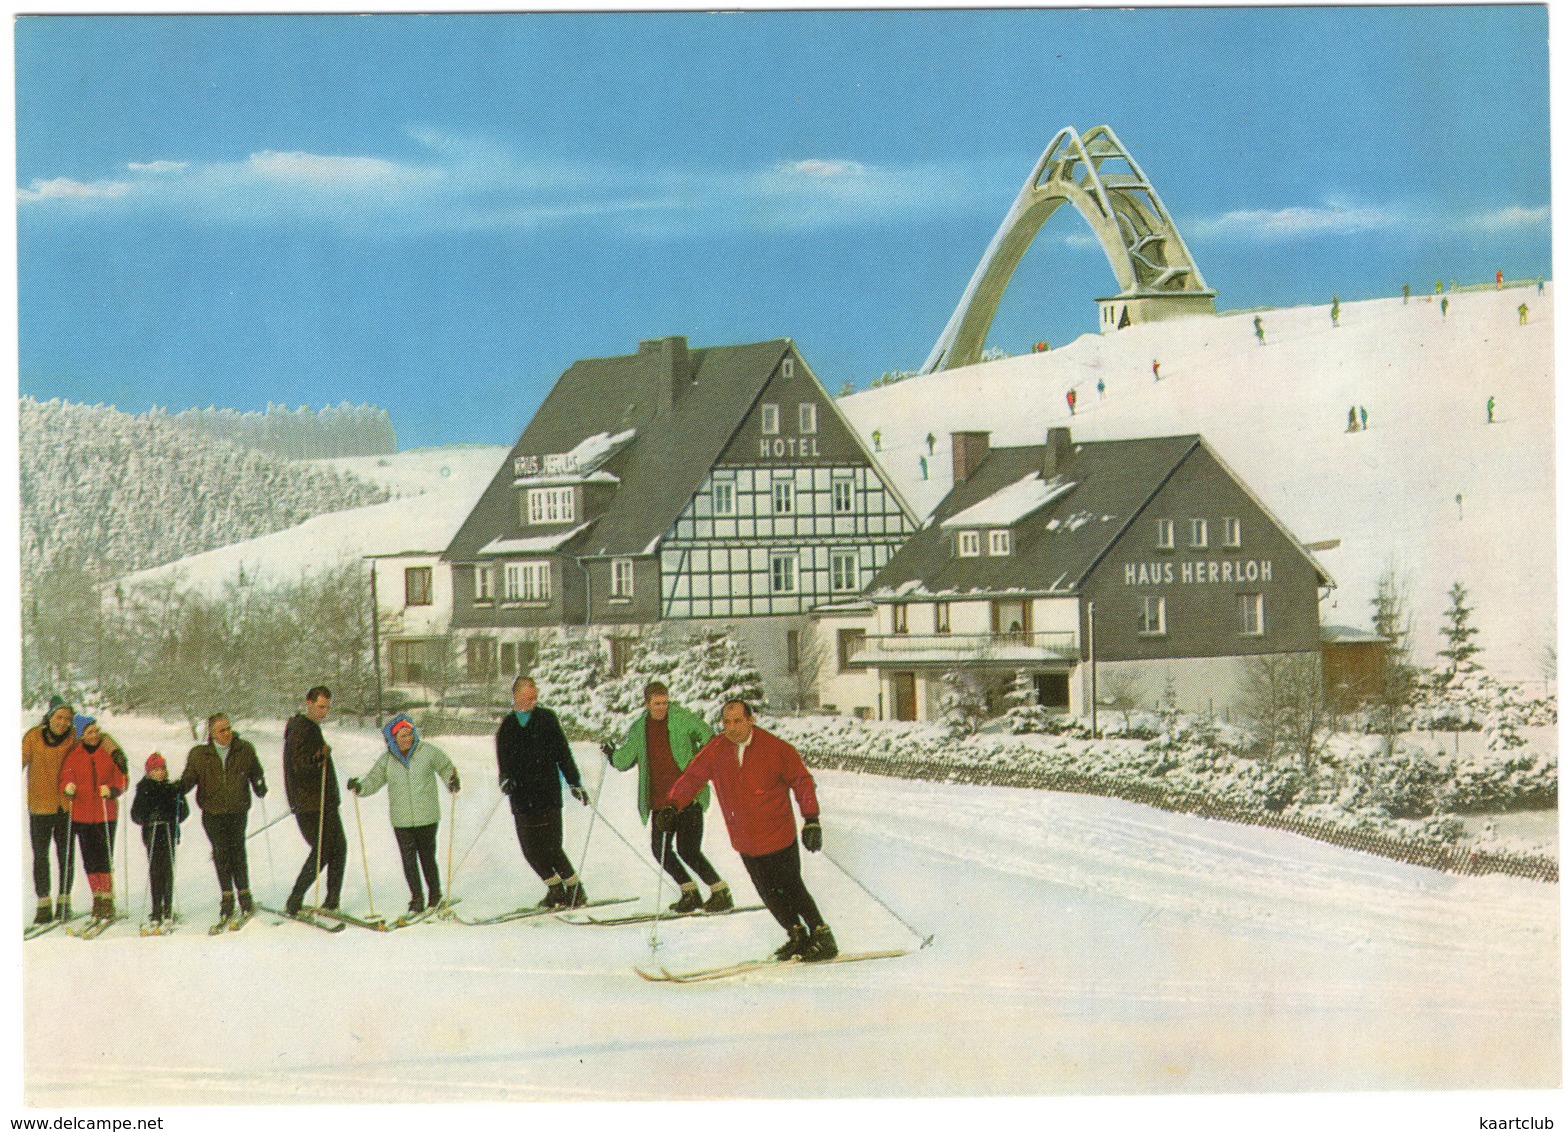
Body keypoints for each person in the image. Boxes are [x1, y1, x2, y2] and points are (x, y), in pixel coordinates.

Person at [659, 699, 835, 963]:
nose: (732, 728)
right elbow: (693, 777)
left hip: (777, 833)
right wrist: (673, 805)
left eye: (738, 721)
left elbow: (802, 780)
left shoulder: (776, 749)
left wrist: (811, 819)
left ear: (751, 720)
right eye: (727, 722)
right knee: (766, 890)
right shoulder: (716, 749)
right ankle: (796, 934)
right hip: (745, 838)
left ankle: (822, 936)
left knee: (791, 887)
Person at [602, 682, 731, 914]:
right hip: (660, 801)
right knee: (660, 849)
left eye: (665, 702)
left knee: (688, 850)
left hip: (687, 796)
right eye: (657, 703)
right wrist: (612, 755)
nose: (662, 708)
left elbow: (709, 736)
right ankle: (690, 892)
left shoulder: (682, 718)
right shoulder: (639, 728)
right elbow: (625, 758)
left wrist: (702, 764)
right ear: (647, 704)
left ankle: (720, 891)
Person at [349, 713, 460, 915]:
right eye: (402, 736)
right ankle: (417, 898)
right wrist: (360, 787)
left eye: (410, 734)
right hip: (402, 820)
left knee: (427, 857)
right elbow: (374, 779)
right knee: (409, 860)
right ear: (393, 739)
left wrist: (451, 779)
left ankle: (435, 895)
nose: (407, 739)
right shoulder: (387, 760)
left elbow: (445, 766)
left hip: (427, 816)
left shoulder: (427, 751)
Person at [496, 676, 590, 908]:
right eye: (528, 698)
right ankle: (556, 888)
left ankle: (575, 889)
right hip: (521, 797)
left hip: (547, 793)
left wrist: (574, 782)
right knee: (530, 849)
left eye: (535, 697)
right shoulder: (507, 726)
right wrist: (505, 780)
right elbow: (503, 761)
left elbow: (563, 753)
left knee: (552, 847)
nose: (532, 702)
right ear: (516, 696)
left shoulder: (547, 719)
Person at [178, 712, 268, 922]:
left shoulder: (244, 749)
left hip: (237, 810)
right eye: (222, 730)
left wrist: (259, 784)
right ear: (211, 732)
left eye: (228, 728)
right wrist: (178, 788)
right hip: (212, 811)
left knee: (238, 850)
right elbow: (190, 777)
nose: (228, 733)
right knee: (221, 853)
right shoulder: (200, 754)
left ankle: (244, 895)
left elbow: (255, 770)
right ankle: (227, 897)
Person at [283, 686, 347, 915]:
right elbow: (299, 766)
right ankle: (295, 898)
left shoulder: (310, 727)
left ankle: (331, 901)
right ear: (308, 703)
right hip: (310, 803)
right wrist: (319, 758)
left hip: (324, 800)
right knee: (324, 849)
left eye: (328, 707)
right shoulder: (301, 728)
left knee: (338, 848)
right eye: (320, 707)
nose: (324, 712)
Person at [58, 716, 128, 922]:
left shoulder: (107, 753)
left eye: (97, 731)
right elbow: (66, 775)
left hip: (106, 812)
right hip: (82, 813)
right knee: (89, 858)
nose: (95, 735)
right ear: (81, 735)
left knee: (104, 856)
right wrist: (68, 786)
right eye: (90, 732)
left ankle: (107, 898)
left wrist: (113, 789)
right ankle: (96, 897)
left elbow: (121, 777)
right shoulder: (74, 755)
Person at [23, 696, 78, 924]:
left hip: (65, 806)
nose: (63, 722)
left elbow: (100, 737)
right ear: (49, 717)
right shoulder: (33, 737)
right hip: (40, 805)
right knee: (41, 856)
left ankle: (64, 901)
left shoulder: (74, 737)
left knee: (66, 855)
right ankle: (43, 903)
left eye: (67, 718)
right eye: (59, 717)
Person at [130, 753, 189, 927]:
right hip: (152, 834)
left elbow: (184, 812)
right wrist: (147, 816)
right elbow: (135, 814)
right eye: (156, 769)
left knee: (168, 869)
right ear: (149, 772)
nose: (160, 772)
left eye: (162, 768)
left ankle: (168, 907)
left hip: (168, 832)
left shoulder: (172, 788)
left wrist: (174, 813)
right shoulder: (144, 789)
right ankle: (156, 908)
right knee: (155, 870)